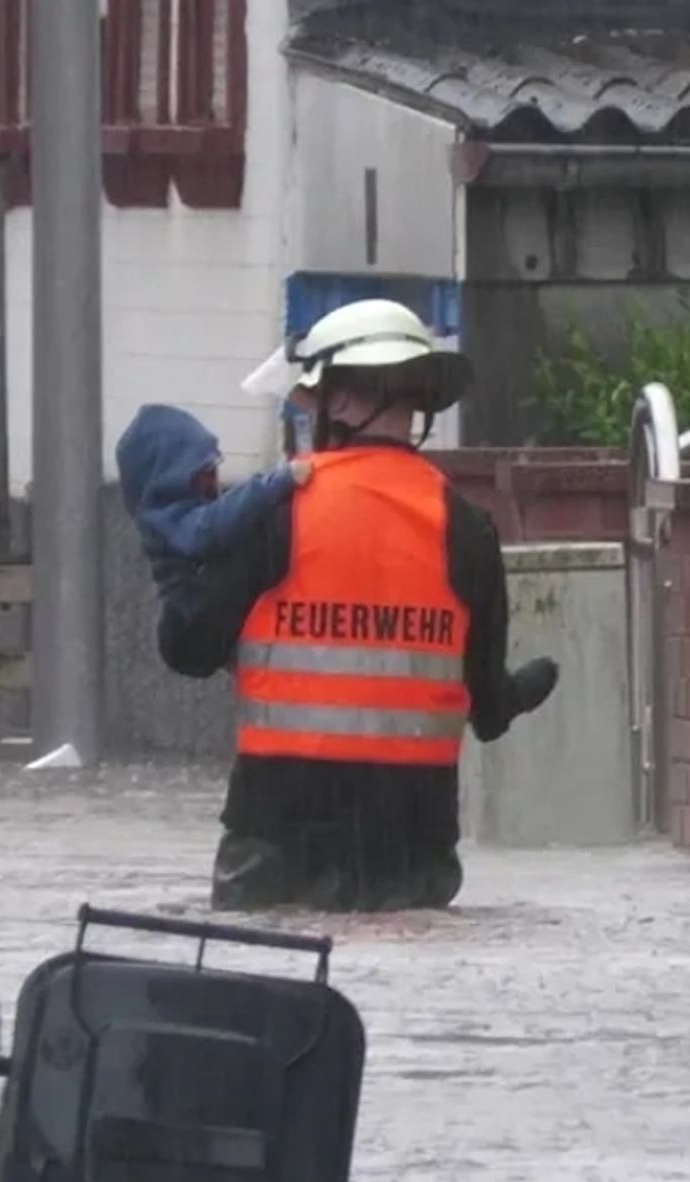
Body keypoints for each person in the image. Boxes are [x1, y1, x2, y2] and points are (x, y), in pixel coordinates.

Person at [157, 298, 560, 913]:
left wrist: (172, 558)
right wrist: (519, 691)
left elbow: (186, 649)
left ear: (342, 402)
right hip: (411, 849)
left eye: (312, 402)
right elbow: (486, 707)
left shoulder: (276, 511)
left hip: (278, 839)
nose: (307, 417)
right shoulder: (465, 528)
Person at [114, 403, 311, 605]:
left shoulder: (188, 512)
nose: (214, 479)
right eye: (205, 470)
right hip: (187, 622)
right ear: (171, 476)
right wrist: (277, 483)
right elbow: (212, 526)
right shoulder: (166, 522)